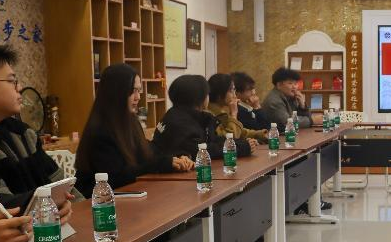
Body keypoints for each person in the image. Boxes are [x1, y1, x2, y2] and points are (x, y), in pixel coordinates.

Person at [0, 43, 73, 242]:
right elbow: (2, 206)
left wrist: (65, 203)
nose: (19, 88)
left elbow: (59, 182)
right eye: (11, 81)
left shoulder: (23, 134)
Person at [75, 64, 194, 198]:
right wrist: (161, 164)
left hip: (125, 196)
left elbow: (147, 151)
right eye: (133, 91)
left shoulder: (130, 121)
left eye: (139, 90)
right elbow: (117, 178)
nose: (138, 97)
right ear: (116, 92)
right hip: (97, 202)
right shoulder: (100, 131)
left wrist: (176, 157)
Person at [152, 74, 256, 160]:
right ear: (199, 98)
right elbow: (203, 150)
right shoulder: (179, 122)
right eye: (207, 94)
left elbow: (214, 139)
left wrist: (241, 143)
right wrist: (241, 147)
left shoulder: (188, 116)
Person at [207, 73, 267, 144]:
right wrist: (234, 114)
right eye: (231, 91)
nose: (234, 95)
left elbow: (240, 131)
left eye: (234, 90)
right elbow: (229, 139)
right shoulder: (209, 115)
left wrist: (261, 134)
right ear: (220, 94)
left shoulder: (222, 111)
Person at [262, 67, 313, 132]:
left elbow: (298, 118)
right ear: (279, 85)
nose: (294, 87)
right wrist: (312, 121)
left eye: (295, 84)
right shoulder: (274, 101)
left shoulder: (290, 97)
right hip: (276, 136)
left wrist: (302, 106)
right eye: (290, 83)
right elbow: (287, 123)